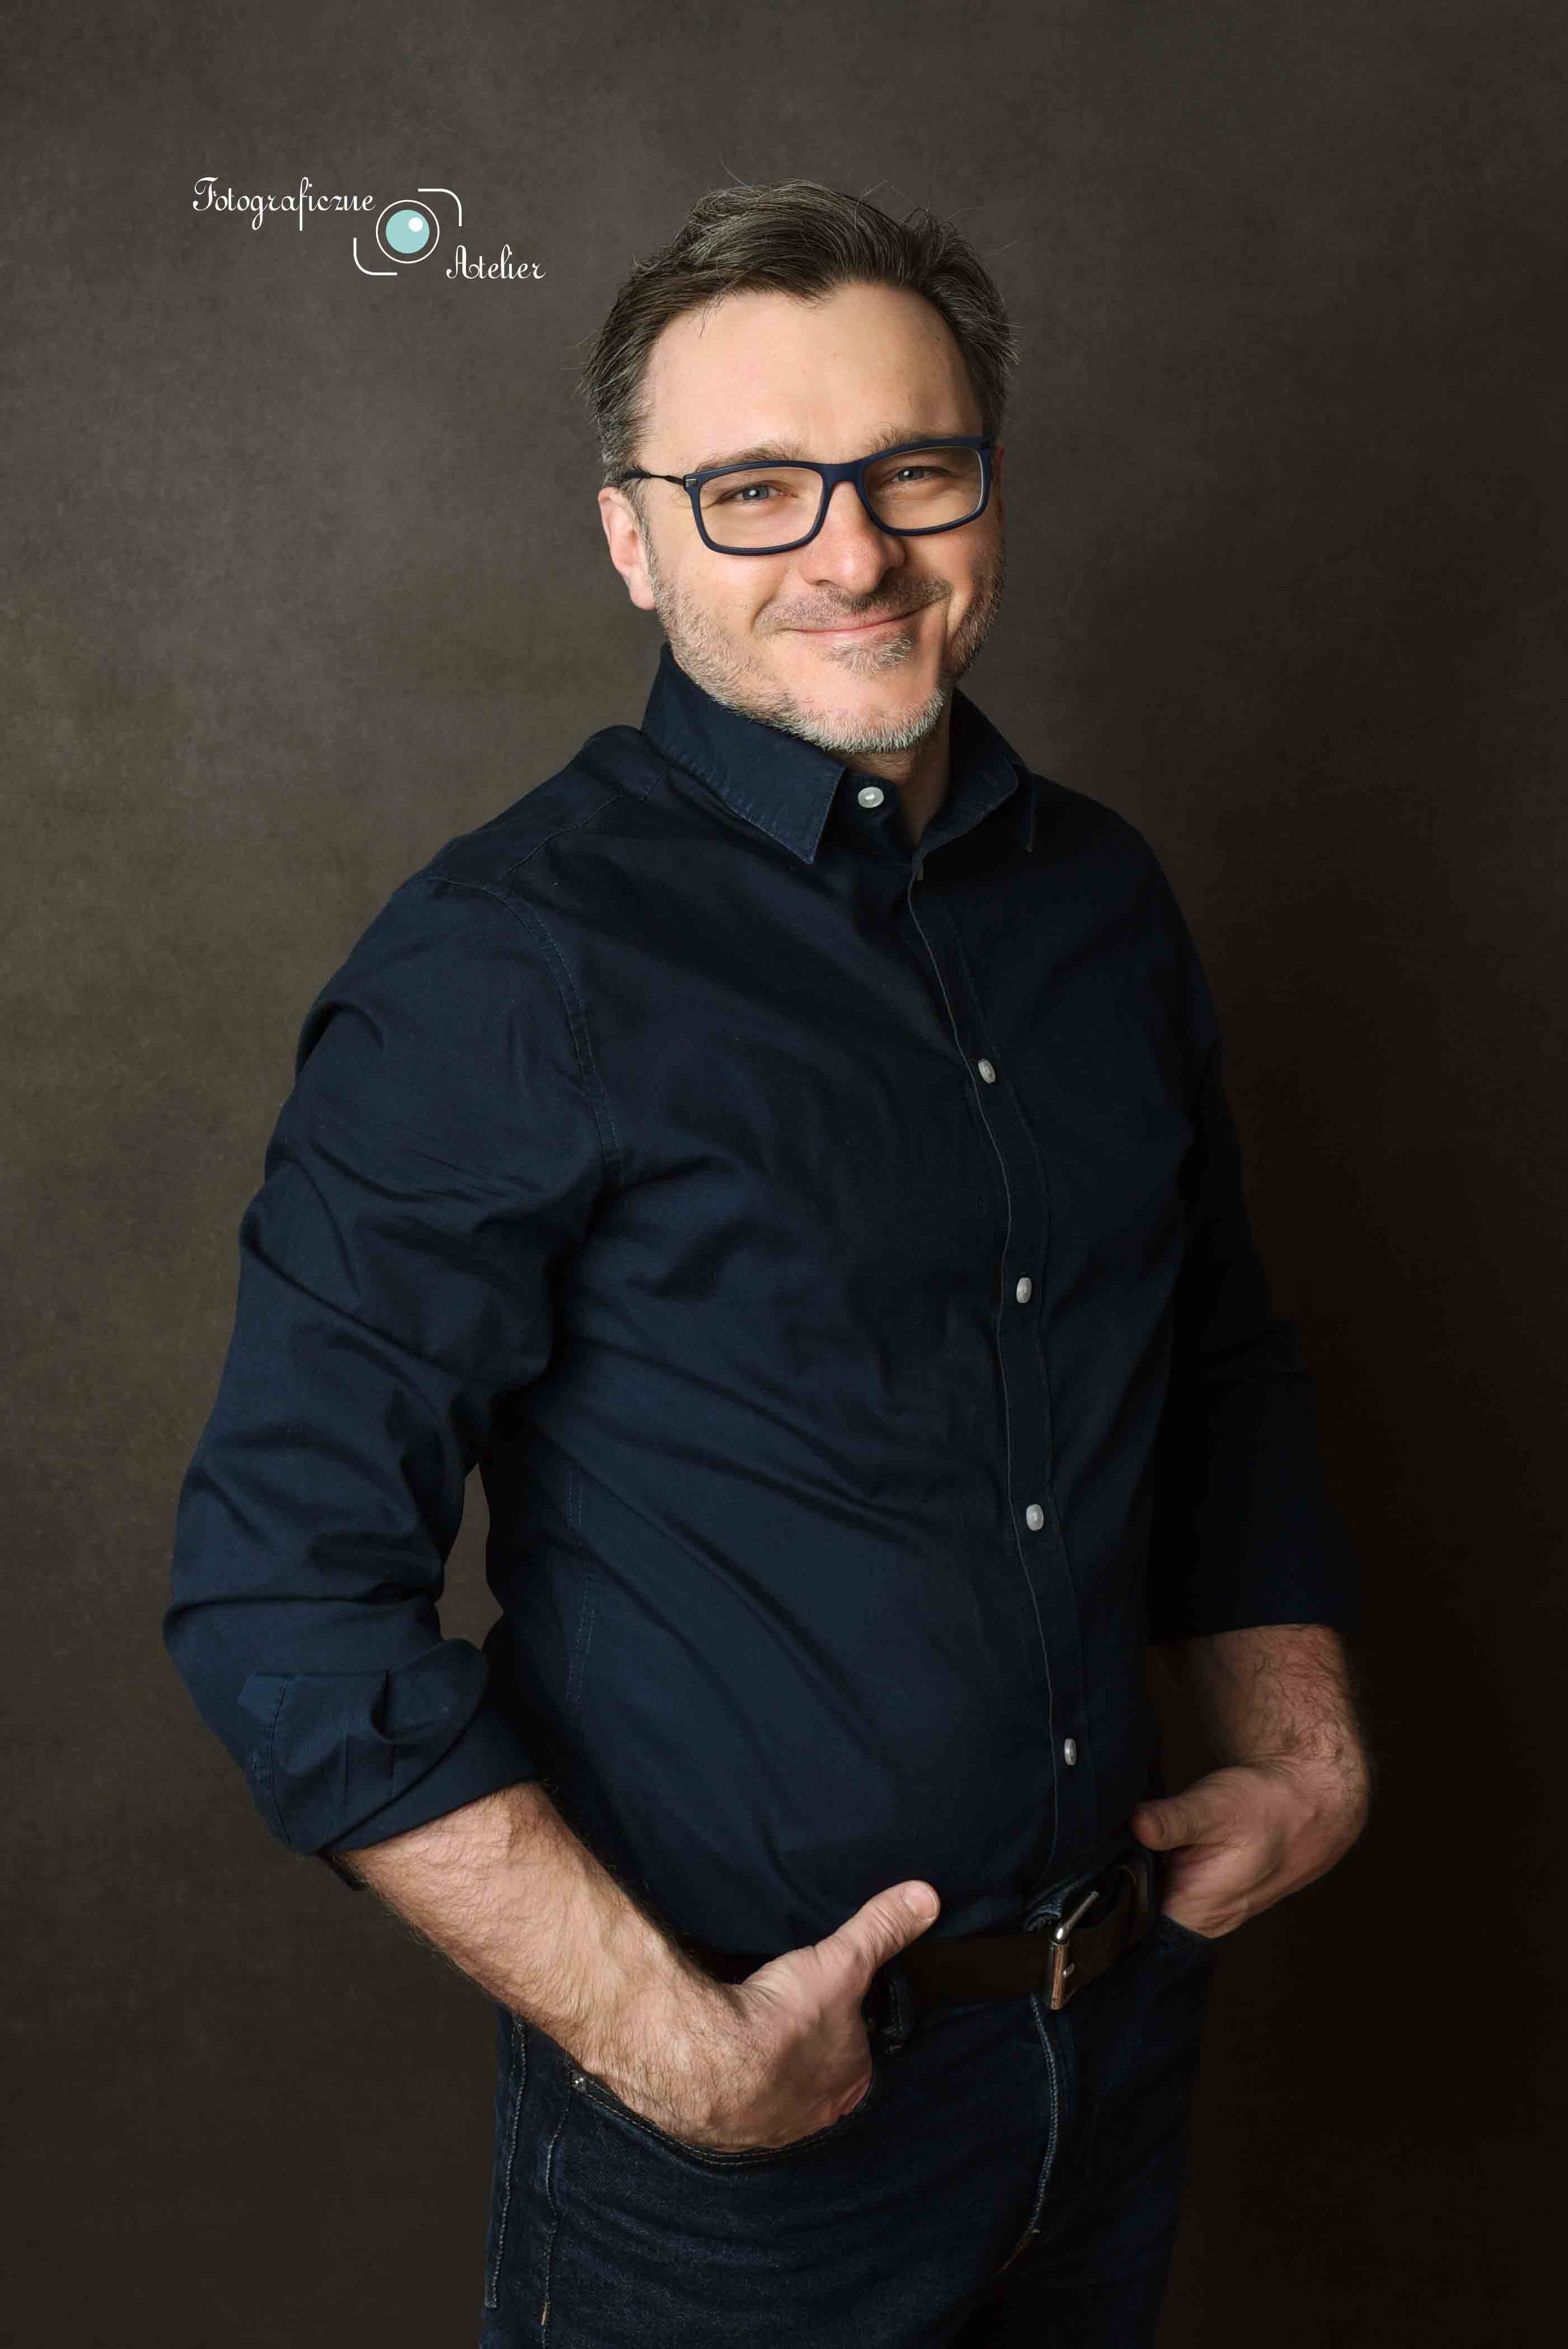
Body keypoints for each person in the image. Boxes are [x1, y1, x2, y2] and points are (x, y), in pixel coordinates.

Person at [163, 179, 1375, 2347]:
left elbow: (1209, 1357)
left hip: (1112, 2052)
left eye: (911, 470)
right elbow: (280, 1592)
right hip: (740, 2144)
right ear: (630, 540)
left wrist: (1301, 1742)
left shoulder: (1098, 902)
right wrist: (674, 2048)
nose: (848, 553)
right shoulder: (505, 965)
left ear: (985, 492)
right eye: (751, 491)